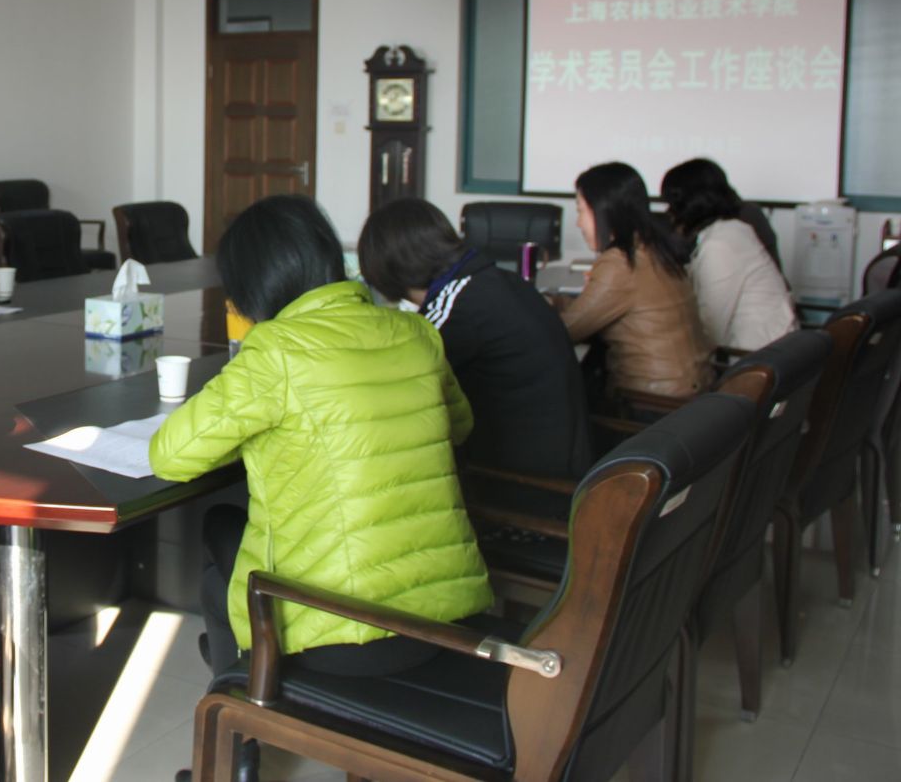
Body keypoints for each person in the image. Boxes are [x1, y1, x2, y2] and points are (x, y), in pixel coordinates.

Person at [149, 195, 492, 715]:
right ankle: (237, 678)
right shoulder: (416, 333)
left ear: (250, 283)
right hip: (447, 619)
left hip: (341, 633)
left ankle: (241, 717)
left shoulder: (276, 352)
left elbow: (170, 456)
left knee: (221, 565)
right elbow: (460, 425)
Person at [358, 198, 590, 480]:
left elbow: (398, 389)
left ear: (386, 269)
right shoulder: (500, 281)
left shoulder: (457, 308)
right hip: (563, 462)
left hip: (521, 481)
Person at [560, 162, 714, 399]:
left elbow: (567, 330)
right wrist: (557, 302)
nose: (578, 223)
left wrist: (540, 305)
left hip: (652, 404)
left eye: (581, 211)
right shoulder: (655, 248)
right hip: (696, 391)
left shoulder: (620, 263)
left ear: (603, 210)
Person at [660, 158, 797, 352]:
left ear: (688, 204)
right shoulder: (735, 229)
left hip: (753, 357)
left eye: (671, 204)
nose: (669, 213)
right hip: (774, 350)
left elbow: (709, 331)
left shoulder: (719, 246)